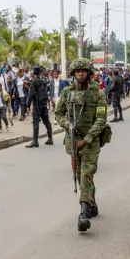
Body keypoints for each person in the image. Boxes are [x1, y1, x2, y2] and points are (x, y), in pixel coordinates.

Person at [55, 58, 108, 232]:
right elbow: (58, 114)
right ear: (73, 74)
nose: (80, 74)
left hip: (90, 141)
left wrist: (87, 139)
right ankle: (91, 205)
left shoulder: (97, 93)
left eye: (84, 71)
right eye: (78, 72)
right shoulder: (66, 92)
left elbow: (101, 119)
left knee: (86, 173)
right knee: (80, 176)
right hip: (73, 140)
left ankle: (83, 213)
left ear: (89, 73)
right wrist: (67, 125)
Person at [26, 66, 53, 147]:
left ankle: (35, 141)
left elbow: (31, 95)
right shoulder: (43, 81)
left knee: (35, 122)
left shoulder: (33, 82)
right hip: (44, 104)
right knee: (46, 121)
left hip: (37, 105)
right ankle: (50, 138)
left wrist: (27, 105)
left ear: (33, 73)